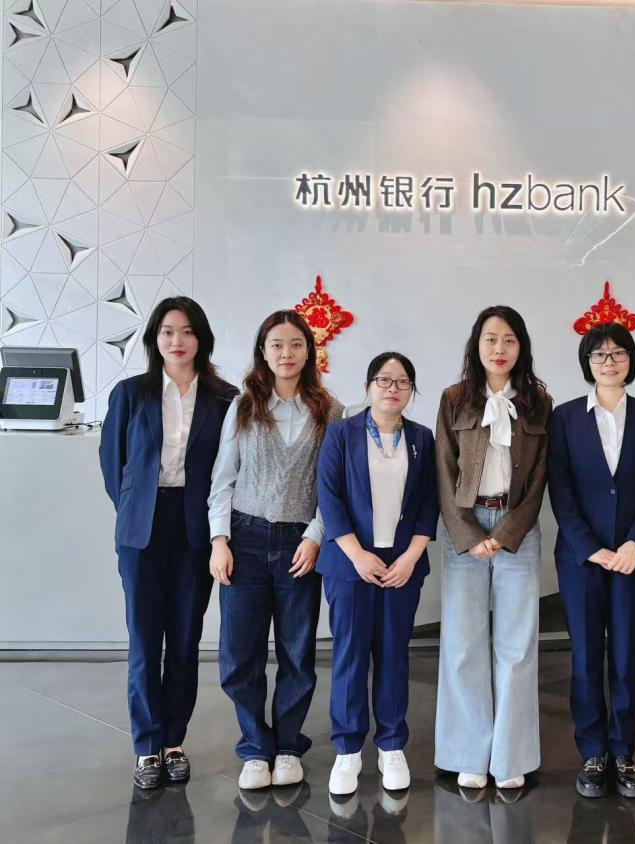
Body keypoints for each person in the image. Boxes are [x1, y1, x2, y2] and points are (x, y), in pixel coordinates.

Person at [99, 296, 237, 789]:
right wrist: (134, 508)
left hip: (196, 527)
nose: (177, 341)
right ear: (154, 339)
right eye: (167, 332)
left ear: (202, 339)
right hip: (142, 528)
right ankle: (146, 747)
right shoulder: (131, 393)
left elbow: (229, 467)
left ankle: (173, 740)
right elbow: (113, 464)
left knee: (183, 638)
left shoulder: (224, 398)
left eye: (187, 332)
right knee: (143, 639)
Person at [208, 310, 343, 790]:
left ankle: (287, 746)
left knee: (296, 652)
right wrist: (219, 541)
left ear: (309, 352)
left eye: (296, 344)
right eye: (277, 345)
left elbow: (333, 487)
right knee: (239, 654)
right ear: (263, 352)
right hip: (243, 539)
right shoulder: (243, 406)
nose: (287, 353)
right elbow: (223, 480)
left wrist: (315, 536)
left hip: (299, 544)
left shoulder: (329, 411)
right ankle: (254, 748)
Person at [547, 322, 635, 798]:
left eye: (618, 353)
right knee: (585, 657)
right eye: (599, 355)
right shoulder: (565, 418)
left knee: (625, 656)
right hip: (581, 560)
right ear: (587, 363)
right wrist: (589, 547)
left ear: (630, 360)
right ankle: (593, 754)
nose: (609, 361)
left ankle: (623, 752)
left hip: (634, 558)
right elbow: (561, 491)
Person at [434, 305, 552, 791]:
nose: (499, 348)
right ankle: (468, 752)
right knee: (463, 644)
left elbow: (541, 476)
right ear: (476, 345)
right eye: (490, 339)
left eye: (508, 339)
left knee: (517, 647)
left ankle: (510, 757)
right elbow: (443, 471)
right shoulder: (454, 399)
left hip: (516, 529)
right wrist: (468, 534)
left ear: (521, 347)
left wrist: (506, 533)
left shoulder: (539, 402)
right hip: (464, 527)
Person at [316, 353, 438, 795]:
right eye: (384, 380)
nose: (392, 388)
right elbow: (328, 496)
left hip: (402, 565)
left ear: (411, 391)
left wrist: (411, 556)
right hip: (352, 564)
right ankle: (348, 750)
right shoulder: (342, 433)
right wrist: (356, 555)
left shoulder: (421, 438)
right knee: (350, 654)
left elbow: (429, 501)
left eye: (402, 382)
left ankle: (391, 745)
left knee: (393, 654)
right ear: (368, 386)